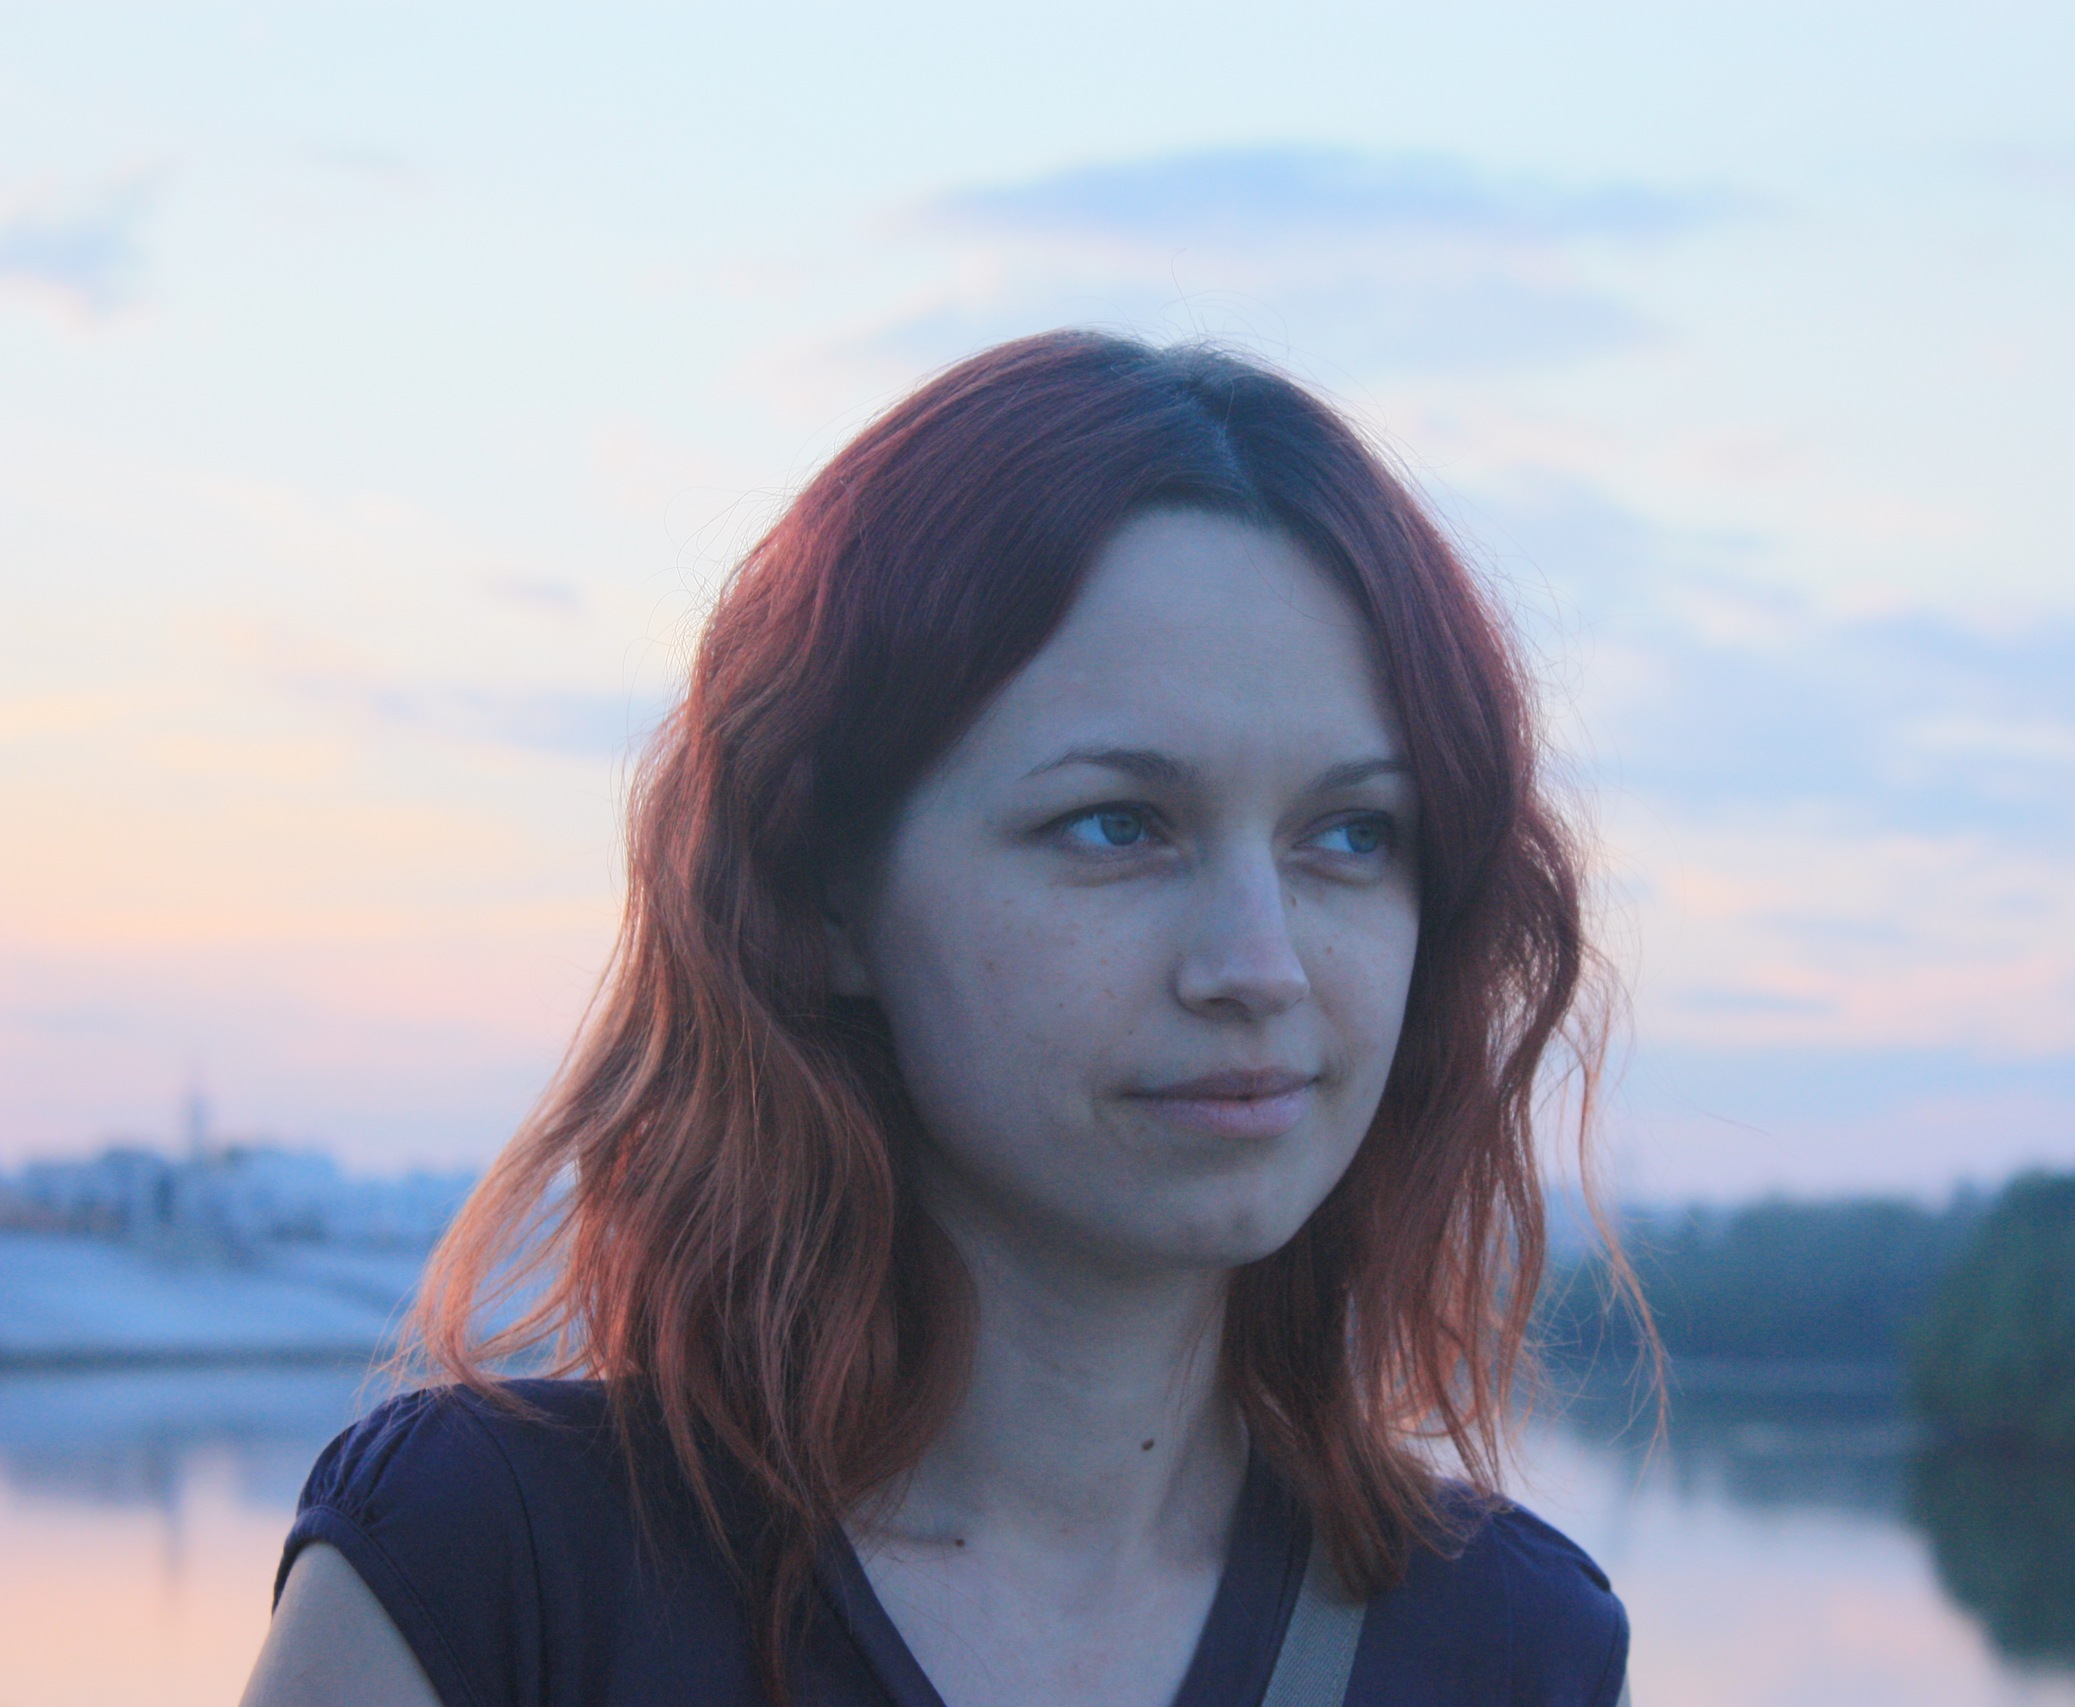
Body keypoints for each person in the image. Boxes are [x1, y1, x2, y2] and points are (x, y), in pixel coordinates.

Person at [241, 331, 1633, 1707]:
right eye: (1118, 824)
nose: (1258, 966)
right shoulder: (493, 1574)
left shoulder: (1513, 1651)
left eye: (1350, 833)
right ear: (826, 896)